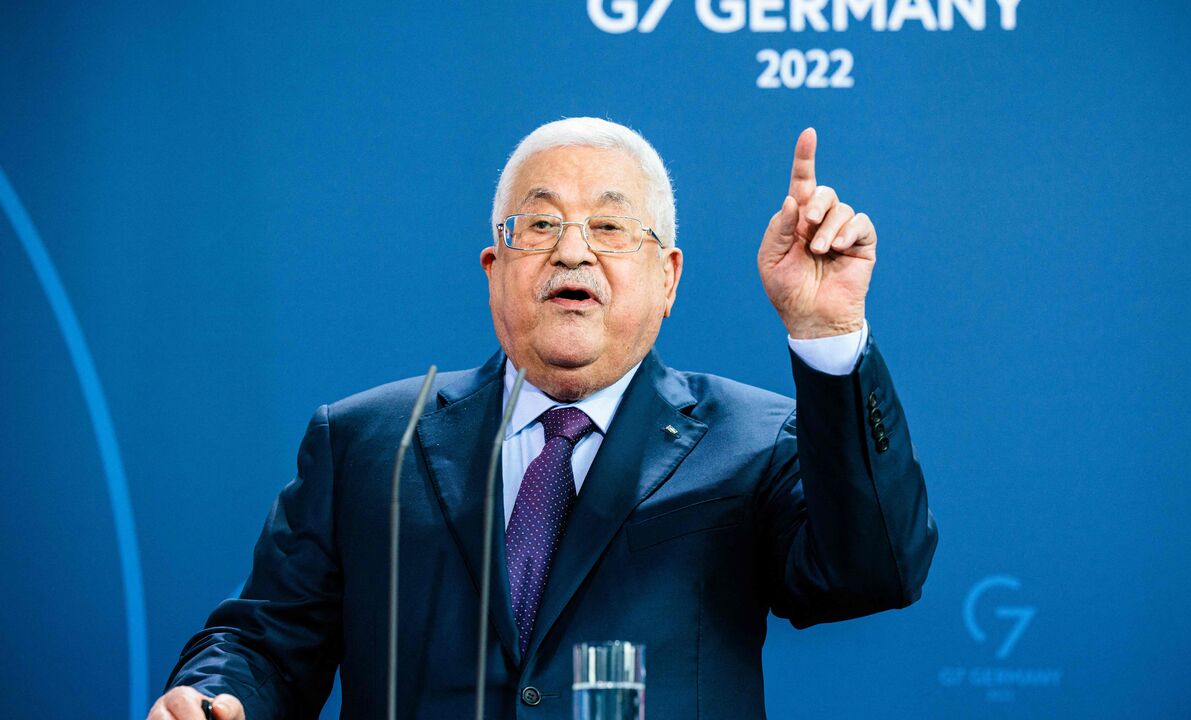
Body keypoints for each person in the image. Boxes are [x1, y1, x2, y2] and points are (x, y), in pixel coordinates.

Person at [149, 117, 938, 719]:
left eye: (610, 226)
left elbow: (874, 572)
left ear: (667, 279)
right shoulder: (366, 441)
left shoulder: (751, 440)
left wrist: (828, 333)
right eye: (541, 224)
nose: (572, 252)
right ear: (496, 272)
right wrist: (215, 696)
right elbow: (263, 642)